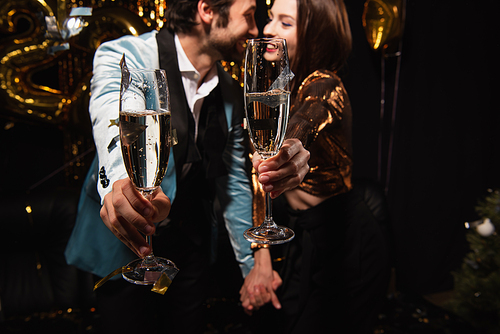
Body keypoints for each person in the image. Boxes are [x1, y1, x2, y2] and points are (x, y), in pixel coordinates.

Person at [64, 1, 310, 333]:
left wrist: (252, 264)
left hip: (189, 250)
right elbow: (117, 121)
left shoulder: (230, 91)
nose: (256, 30)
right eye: (249, 15)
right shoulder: (128, 54)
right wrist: (125, 184)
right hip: (126, 248)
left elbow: (234, 184)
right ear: (207, 10)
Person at [239, 0, 391, 333]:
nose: (268, 29)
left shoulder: (325, 84)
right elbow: (257, 169)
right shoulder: (279, 85)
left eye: (286, 23)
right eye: (270, 18)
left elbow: (303, 123)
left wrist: (290, 148)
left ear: (315, 32)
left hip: (347, 244)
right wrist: (261, 256)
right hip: (302, 238)